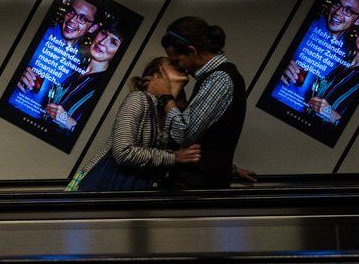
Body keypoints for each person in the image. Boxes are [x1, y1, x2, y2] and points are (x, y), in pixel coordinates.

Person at [146, 17, 250, 189]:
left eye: (176, 61)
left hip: (195, 189)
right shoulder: (214, 78)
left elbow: (185, 134)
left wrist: (165, 96)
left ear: (191, 51)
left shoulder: (220, 79)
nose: (178, 67)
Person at [69, 57, 200, 191]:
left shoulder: (170, 111)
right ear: (156, 75)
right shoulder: (138, 99)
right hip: (100, 186)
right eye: (173, 63)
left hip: (129, 191)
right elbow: (122, 152)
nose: (180, 65)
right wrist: (174, 157)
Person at [42, 15, 123, 132]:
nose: (102, 42)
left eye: (113, 42)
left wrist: (66, 120)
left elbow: (96, 134)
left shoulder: (106, 86)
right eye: (104, 33)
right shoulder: (74, 64)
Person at [281, 0, 359, 88]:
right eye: (337, 4)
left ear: (358, 20)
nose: (337, 12)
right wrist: (280, 65)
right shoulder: (303, 26)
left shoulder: (346, 53)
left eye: (348, 10)